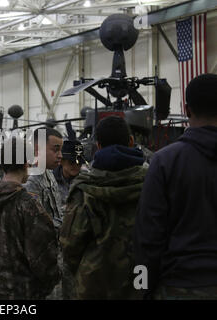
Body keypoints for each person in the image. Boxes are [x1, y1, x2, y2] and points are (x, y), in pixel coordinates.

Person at [134, 73, 217, 300]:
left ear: (187, 110)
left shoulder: (164, 162)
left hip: (179, 286)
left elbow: (147, 238)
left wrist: (142, 287)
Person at [60, 116, 147, 299]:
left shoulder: (84, 189)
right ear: (131, 141)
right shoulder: (153, 181)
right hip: (141, 280)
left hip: (95, 286)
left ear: (98, 146)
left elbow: (70, 247)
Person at [0, 137, 60, 300]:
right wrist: (52, 281)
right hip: (26, 293)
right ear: (26, 164)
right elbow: (43, 257)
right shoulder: (28, 204)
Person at [23, 127, 63, 228]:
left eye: (60, 150)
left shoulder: (49, 172)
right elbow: (35, 222)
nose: (60, 155)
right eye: (55, 150)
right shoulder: (30, 180)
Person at [53, 140, 87, 211]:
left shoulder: (87, 179)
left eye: (79, 162)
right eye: (71, 162)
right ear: (61, 161)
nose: (76, 166)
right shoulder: (51, 180)